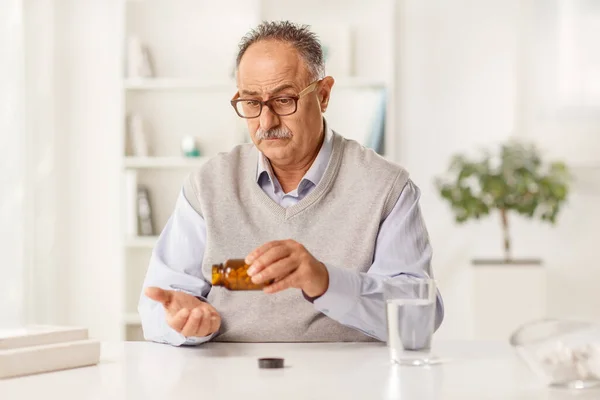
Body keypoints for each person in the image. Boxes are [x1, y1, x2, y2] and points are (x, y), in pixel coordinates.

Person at [138, 21, 444, 346]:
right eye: (252, 103)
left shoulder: (386, 187)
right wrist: (188, 323)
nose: (266, 122)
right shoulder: (208, 185)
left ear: (323, 95)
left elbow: (419, 318)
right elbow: (159, 305)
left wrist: (325, 282)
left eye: (283, 100)